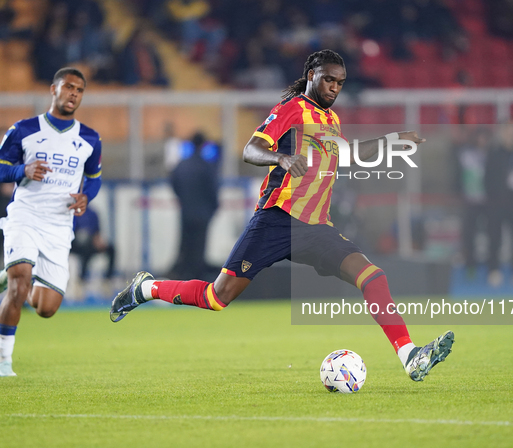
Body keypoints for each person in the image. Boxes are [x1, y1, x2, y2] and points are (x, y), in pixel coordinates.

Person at [110, 49, 454, 382]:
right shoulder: (292, 109)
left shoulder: (331, 120)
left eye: (340, 82)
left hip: (317, 227)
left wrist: (393, 140)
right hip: (278, 219)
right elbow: (251, 149)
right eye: (329, 80)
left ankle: (410, 356)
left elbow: (346, 156)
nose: (335, 87)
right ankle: (147, 288)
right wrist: (281, 159)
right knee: (217, 297)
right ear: (311, 77)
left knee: (372, 276)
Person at [0, 67, 102, 376]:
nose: (73, 93)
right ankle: (4, 361)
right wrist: (23, 171)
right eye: (68, 87)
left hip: (59, 226)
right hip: (26, 216)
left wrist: (87, 197)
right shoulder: (23, 129)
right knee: (19, 284)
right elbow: (2, 167)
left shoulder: (90, 138)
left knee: (46, 308)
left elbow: (94, 179)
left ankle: (10, 275)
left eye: (79, 90)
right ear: (53, 89)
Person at [484, 119, 513, 287]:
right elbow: (488, 178)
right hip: (498, 203)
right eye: (510, 132)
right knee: (495, 238)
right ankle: (494, 270)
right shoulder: (494, 153)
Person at [168, 132, 220, 280]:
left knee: (185, 245)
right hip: (203, 213)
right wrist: (212, 208)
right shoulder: (206, 166)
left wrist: (183, 199)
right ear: (204, 145)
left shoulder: (181, 165)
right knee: (199, 247)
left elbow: (174, 183)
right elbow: (213, 190)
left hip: (186, 212)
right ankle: (196, 280)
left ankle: (182, 276)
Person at [452, 127, 491, 277]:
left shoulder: (491, 155)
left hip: (488, 201)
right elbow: (456, 173)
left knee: (491, 235)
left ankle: (491, 267)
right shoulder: (465, 154)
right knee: (469, 237)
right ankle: (470, 266)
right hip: (469, 201)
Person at [71, 206, 115, 285]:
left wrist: (98, 241)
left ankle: (107, 279)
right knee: (85, 249)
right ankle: (82, 279)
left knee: (111, 249)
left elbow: (97, 232)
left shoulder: (92, 213)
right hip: (72, 243)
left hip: (89, 243)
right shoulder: (72, 213)